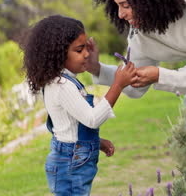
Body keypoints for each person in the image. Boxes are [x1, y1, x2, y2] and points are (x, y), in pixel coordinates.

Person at [22, 15, 137, 195]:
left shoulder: (61, 82)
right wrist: (118, 84)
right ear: (59, 53)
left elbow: (69, 126)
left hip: (70, 158)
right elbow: (92, 119)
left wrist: (96, 142)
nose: (86, 54)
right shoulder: (62, 85)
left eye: (86, 48)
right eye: (79, 50)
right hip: (70, 162)